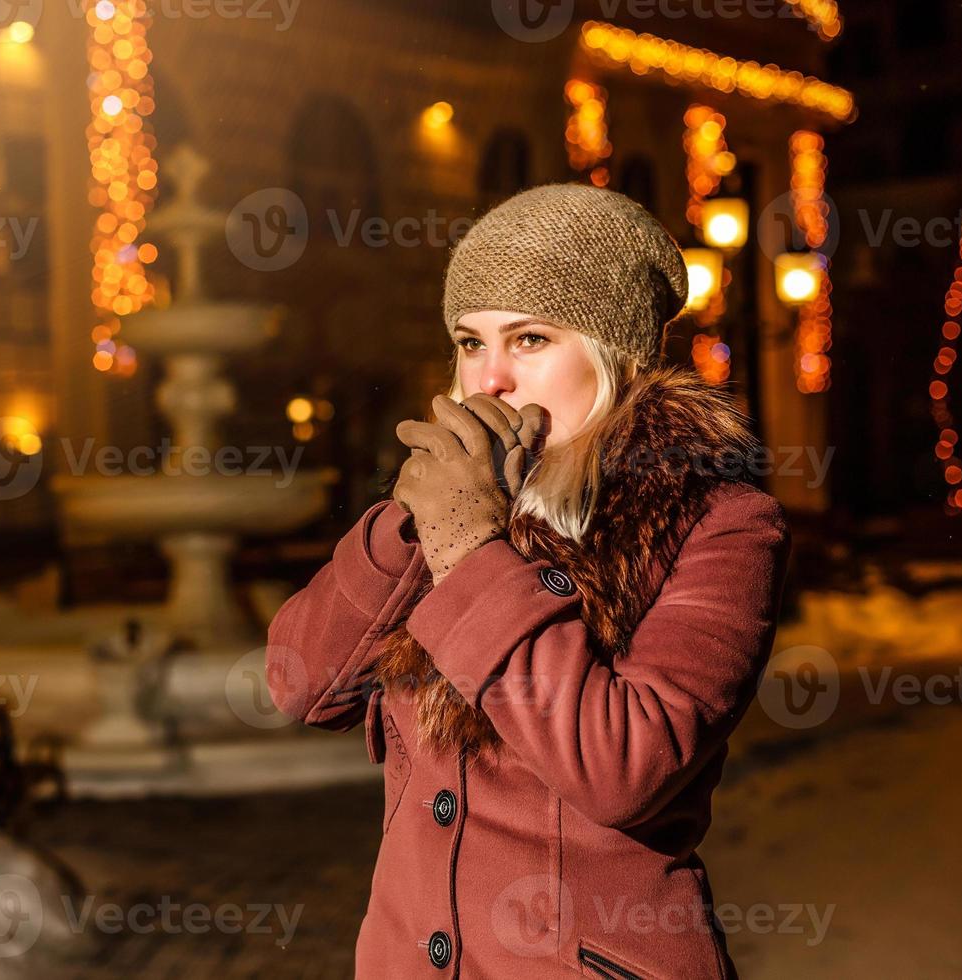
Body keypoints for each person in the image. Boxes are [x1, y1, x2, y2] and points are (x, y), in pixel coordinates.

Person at [265, 183, 791, 979]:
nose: (491, 378)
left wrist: (470, 549)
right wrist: (410, 522)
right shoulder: (459, 502)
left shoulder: (720, 521)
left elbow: (622, 768)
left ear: (615, 353)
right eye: (471, 343)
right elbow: (300, 685)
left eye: (531, 339)